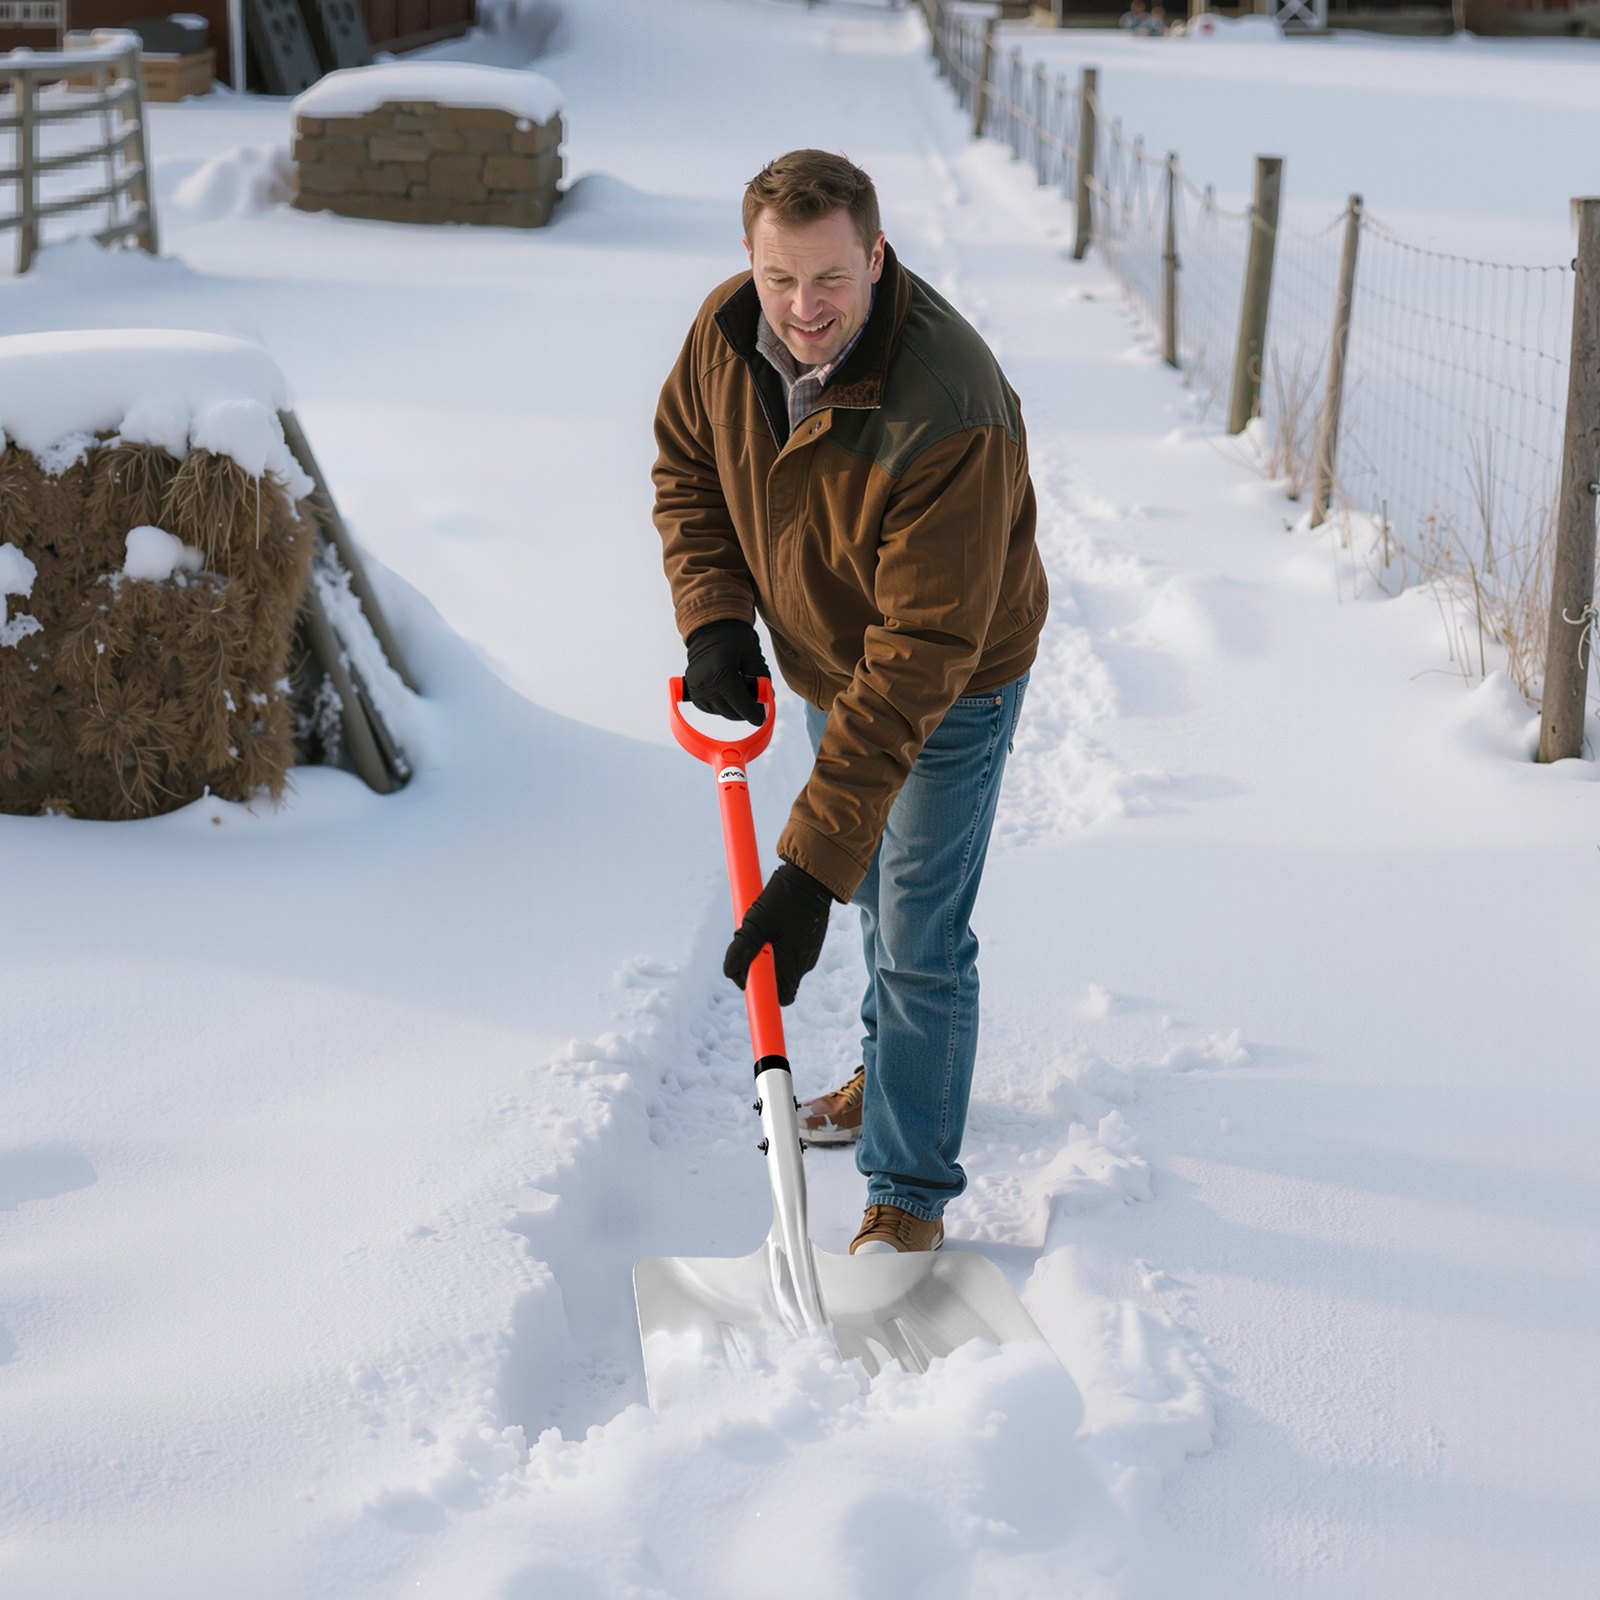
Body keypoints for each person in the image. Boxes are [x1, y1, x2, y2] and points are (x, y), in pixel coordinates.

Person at [652, 150, 1047, 1256]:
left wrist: (807, 868)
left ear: (876, 257)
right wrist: (715, 617)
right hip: (831, 657)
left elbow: (921, 652)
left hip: (951, 678)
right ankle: (894, 1075)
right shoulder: (727, 330)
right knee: (874, 886)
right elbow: (688, 466)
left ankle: (909, 1193)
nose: (803, 307)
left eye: (830, 277)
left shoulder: (949, 406)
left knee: (916, 928)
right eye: (780, 277)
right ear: (749, 257)